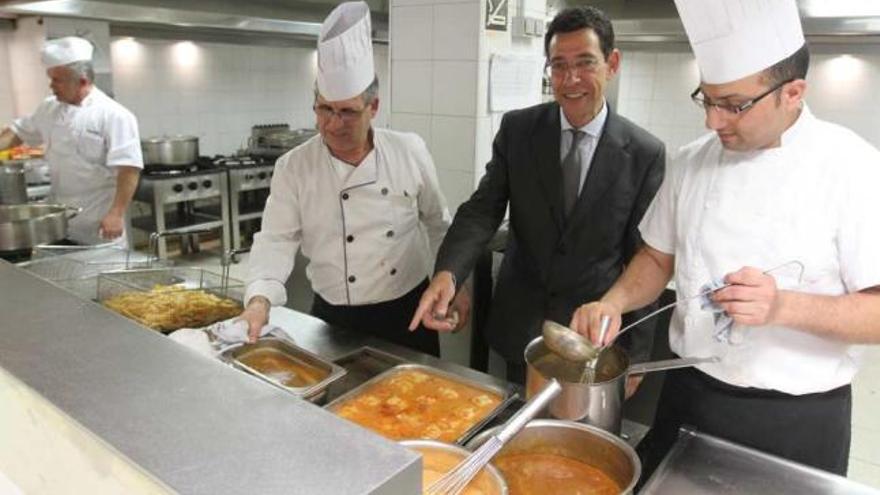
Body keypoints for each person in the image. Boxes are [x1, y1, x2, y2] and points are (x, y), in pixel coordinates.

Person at [569, 0, 880, 476]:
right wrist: (612, 302)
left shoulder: (853, 168)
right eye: (707, 100)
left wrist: (783, 307)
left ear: (793, 93)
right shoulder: (693, 160)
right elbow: (656, 258)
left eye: (734, 105)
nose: (713, 122)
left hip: (796, 419)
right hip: (689, 393)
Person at [410, 6, 665, 385]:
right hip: (522, 328)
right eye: (558, 65)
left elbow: (647, 258)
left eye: (585, 63)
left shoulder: (644, 153)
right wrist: (449, 273)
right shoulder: (519, 130)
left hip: (593, 339)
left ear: (612, 64)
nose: (571, 78)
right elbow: (483, 210)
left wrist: (636, 355)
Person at [239, 1, 460, 356]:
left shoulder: (409, 150)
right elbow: (275, 240)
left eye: (347, 112)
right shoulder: (294, 166)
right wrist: (259, 298)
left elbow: (438, 224)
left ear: (373, 108)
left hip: (406, 313)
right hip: (333, 318)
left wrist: (450, 284)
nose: (333, 124)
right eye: (324, 109)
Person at [0, 36, 142, 246]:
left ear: (82, 81)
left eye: (57, 80)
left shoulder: (114, 115)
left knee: (101, 275)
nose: (51, 85)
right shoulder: (49, 108)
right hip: (60, 219)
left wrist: (117, 214)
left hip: (99, 221)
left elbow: (129, 169)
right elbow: (17, 132)